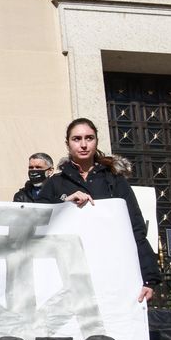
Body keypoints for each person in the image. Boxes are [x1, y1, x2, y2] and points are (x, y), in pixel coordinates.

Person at [35, 118, 161, 302]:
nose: (84, 144)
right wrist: (65, 204)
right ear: (67, 144)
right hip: (69, 275)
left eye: (89, 138)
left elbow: (136, 228)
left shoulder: (115, 180)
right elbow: (36, 223)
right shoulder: (55, 183)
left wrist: (149, 278)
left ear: (96, 141)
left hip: (111, 272)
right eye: (77, 139)